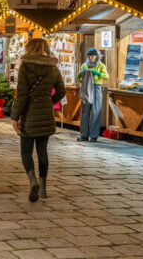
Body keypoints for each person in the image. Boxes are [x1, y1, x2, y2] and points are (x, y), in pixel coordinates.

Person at [11, 38, 66, 202]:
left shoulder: (26, 67)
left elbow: (21, 95)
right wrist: (49, 101)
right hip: (46, 114)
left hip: (29, 114)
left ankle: (32, 180)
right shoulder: (53, 67)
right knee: (42, 151)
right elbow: (62, 91)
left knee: (26, 151)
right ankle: (43, 187)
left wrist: (15, 117)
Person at [77, 48, 108, 142]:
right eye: (89, 56)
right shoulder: (84, 65)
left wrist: (97, 73)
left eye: (92, 56)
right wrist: (79, 75)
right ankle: (84, 135)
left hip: (96, 88)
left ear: (96, 56)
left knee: (96, 112)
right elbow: (78, 78)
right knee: (85, 112)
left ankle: (94, 136)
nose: (90, 58)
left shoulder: (101, 65)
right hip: (86, 88)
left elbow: (106, 76)